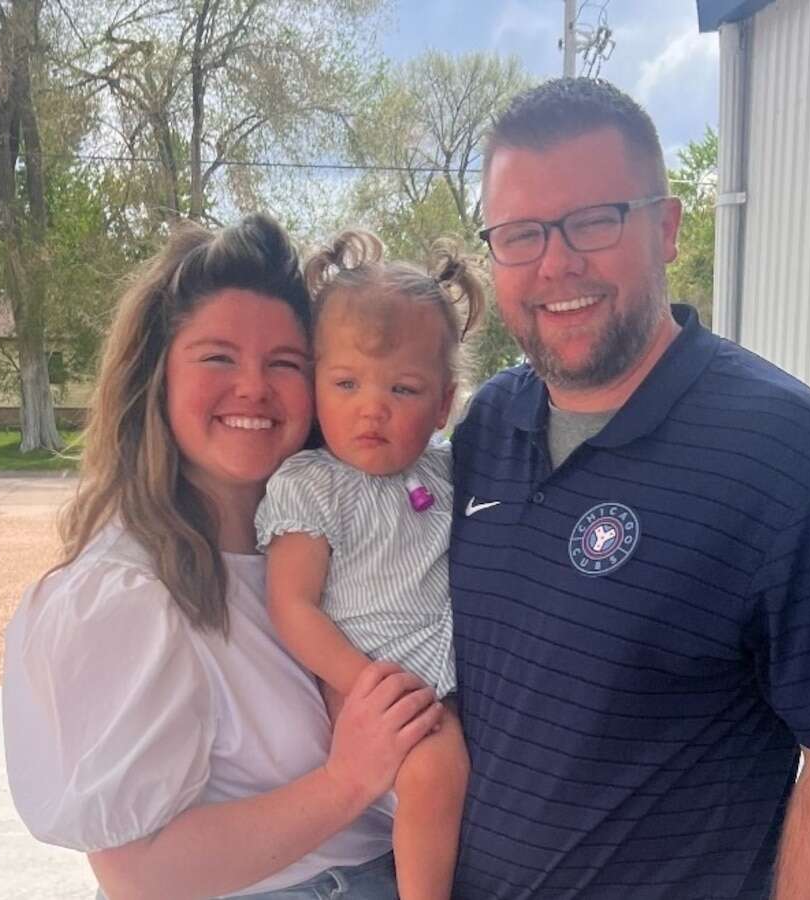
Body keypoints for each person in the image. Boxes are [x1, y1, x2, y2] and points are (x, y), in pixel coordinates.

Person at [450, 78, 810, 899]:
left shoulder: (792, 455)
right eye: (521, 233)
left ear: (667, 228)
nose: (555, 262)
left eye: (594, 220)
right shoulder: (486, 428)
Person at [1, 214, 441, 900]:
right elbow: (140, 873)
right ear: (159, 378)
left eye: (285, 365)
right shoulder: (126, 591)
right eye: (218, 357)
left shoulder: (322, 538)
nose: (253, 388)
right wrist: (348, 780)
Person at [256, 232, 483, 900]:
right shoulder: (312, 484)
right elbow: (291, 604)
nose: (371, 406)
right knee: (435, 766)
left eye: (403, 388)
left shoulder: (445, 470)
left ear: (443, 404)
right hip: (359, 673)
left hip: (439, 671)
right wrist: (364, 683)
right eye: (346, 383)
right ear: (316, 382)